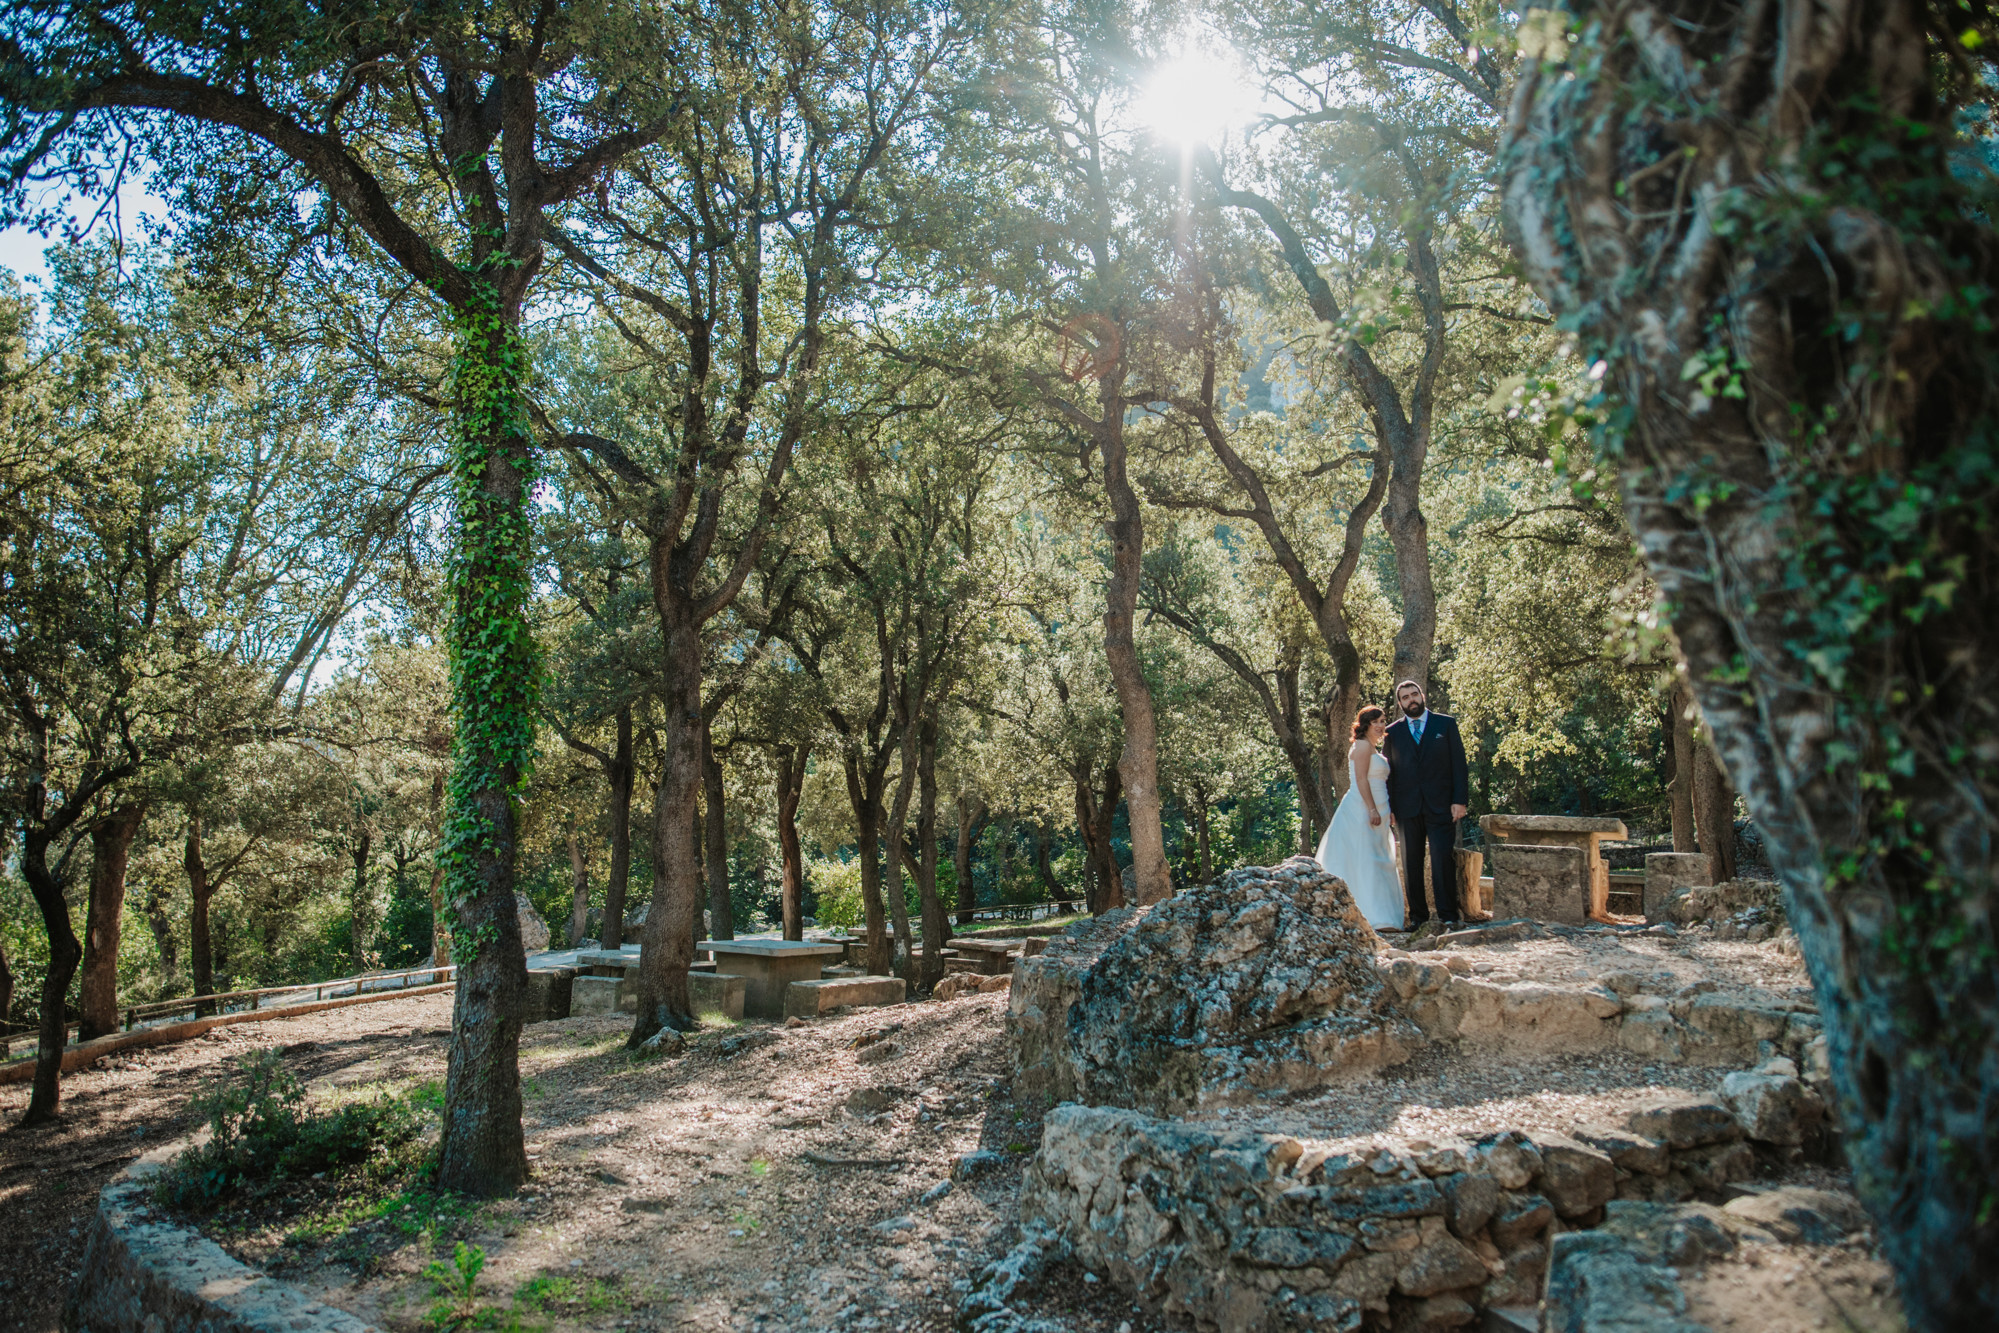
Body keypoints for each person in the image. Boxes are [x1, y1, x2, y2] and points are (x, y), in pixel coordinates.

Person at [1382, 679, 1470, 928]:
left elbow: (1459, 766)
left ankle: (1449, 916)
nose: (1411, 700)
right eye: (1406, 697)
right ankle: (1418, 918)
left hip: (1442, 805)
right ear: (1400, 703)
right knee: (1411, 863)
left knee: (1442, 859)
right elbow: (1389, 773)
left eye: (1414, 694)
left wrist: (1459, 800)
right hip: (1406, 808)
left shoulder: (1446, 724)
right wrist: (1389, 808)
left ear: (1422, 696)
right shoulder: (1393, 732)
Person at [1315, 705, 1405, 930]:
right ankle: (1371, 915)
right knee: (1366, 858)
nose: (1380, 725)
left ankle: (1383, 915)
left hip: (1381, 807)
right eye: (1375, 721)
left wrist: (1387, 810)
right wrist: (1372, 809)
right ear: (1364, 725)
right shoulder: (1363, 746)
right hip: (1362, 807)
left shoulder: (1375, 748)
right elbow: (1362, 780)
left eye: (1383, 721)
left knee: (1379, 856)